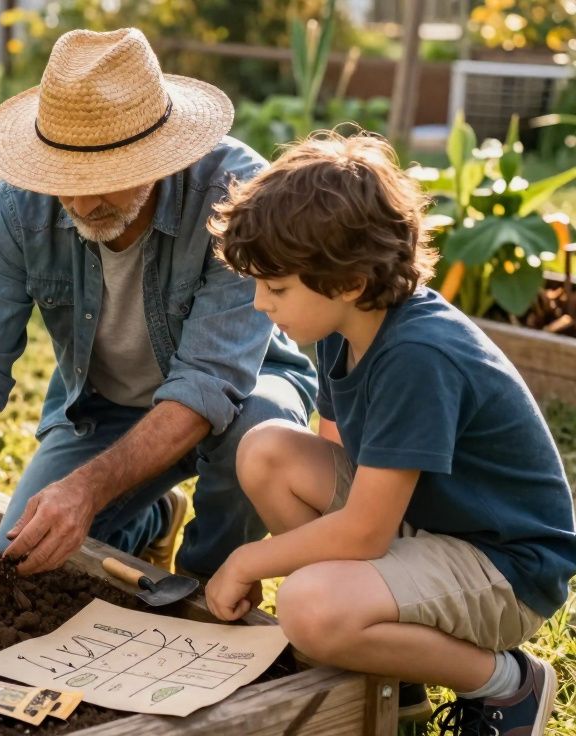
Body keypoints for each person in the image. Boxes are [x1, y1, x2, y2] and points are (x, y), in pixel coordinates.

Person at [206, 132, 576, 733]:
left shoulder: (418, 354)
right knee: (267, 452)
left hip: (505, 569)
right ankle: (389, 667)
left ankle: (508, 685)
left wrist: (247, 561)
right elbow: (341, 469)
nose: (259, 304)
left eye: (276, 288)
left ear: (349, 281)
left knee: (307, 606)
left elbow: (364, 531)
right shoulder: (341, 328)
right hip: (431, 529)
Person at [0, 27, 316, 582]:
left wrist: (87, 488)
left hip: (242, 392)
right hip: (105, 407)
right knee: (27, 558)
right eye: (64, 179)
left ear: (161, 155)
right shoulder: (18, 206)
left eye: (106, 178)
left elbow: (209, 383)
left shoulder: (237, 196)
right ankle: (153, 519)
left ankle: (205, 585)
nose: (82, 202)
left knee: (257, 426)